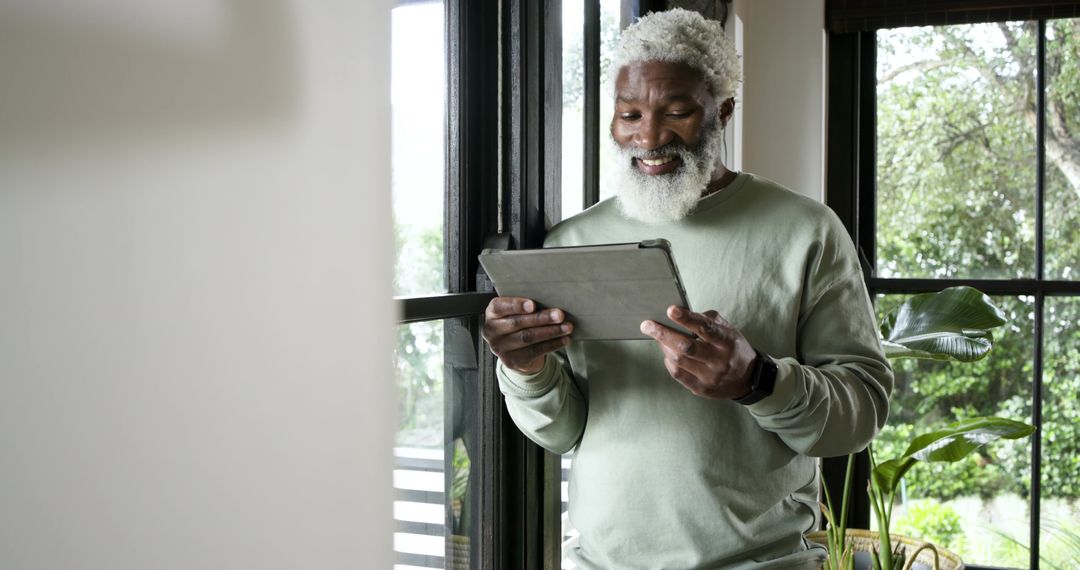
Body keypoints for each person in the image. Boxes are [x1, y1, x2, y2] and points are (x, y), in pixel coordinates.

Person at [482, 9, 892, 569]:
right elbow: (564, 431)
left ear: (722, 111)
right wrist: (527, 369)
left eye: (676, 112)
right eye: (629, 114)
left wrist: (758, 380)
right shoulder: (572, 241)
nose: (649, 137)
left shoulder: (806, 230)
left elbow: (862, 411)